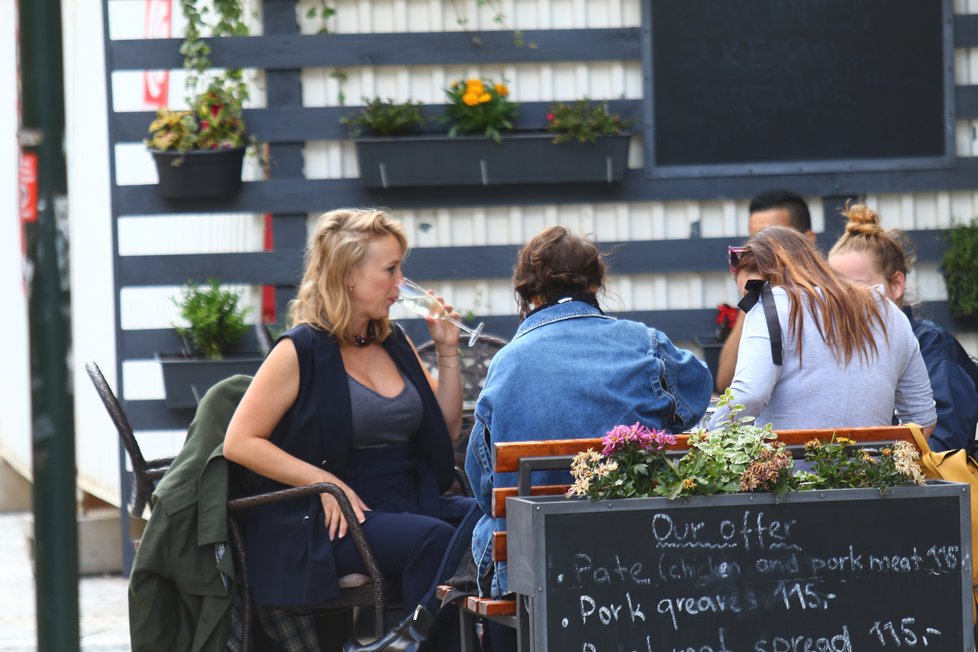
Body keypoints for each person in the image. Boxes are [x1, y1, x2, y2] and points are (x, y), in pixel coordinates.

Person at [223, 208, 477, 652]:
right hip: (336, 517)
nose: (401, 283)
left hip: (407, 498)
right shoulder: (300, 350)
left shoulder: (391, 341)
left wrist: (447, 350)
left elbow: (447, 429)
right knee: (434, 540)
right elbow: (239, 442)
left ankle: (409, 643)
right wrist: (323, 481)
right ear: (348, 277)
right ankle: (408, 642)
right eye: (391, 270)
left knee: (498, 518)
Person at [464, 226, 713, 651]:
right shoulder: (646, 342)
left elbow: (485, 483)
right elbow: (696, 397)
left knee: (487, 526)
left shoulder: (506, 364)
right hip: (643, 550)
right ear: (597, 283)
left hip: (540, 566)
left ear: (529, 295)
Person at [708, 226, 937, 435]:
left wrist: (705, 444)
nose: (749, 307)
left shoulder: (771, 304)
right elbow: (923, 419)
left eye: (751, 295)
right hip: (875, 476)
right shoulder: (889, 312)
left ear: (771, 280)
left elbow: (748, 395)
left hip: (789, 476)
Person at [828, 203, 978, 452]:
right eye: (834, 291)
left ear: (897, 284)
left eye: (859, 289)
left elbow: (940, 446)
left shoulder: (934, 348)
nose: (846, 301)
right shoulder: (836, 348)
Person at [715, 190, 815, 392]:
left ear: (808, 240)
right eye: (758, 241)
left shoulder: (830, 296)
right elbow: (726, 383)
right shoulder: (758, 297)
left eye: (777, 241)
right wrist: (752, 299)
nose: (765, 252)